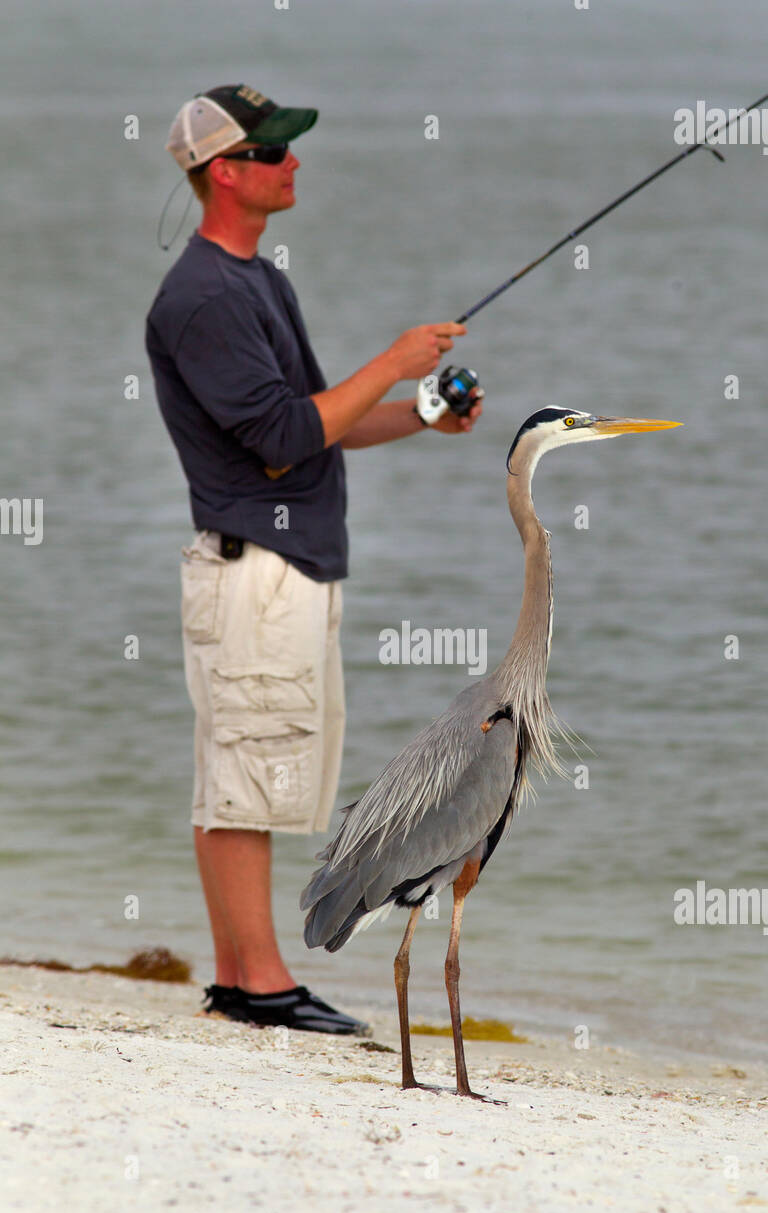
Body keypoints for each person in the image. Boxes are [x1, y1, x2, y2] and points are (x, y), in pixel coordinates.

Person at [145, 85, 483, 1035]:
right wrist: (396, 358)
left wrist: (421, 412)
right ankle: (258, 986)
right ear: (225, 172)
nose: (294, 163)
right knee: (241, 778)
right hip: (254, 572)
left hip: (289, 572)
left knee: (251, 772)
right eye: (274, 151)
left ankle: (245, 977)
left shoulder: (258, 280)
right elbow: (285, 439)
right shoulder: (203, 296)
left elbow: (321, 428)